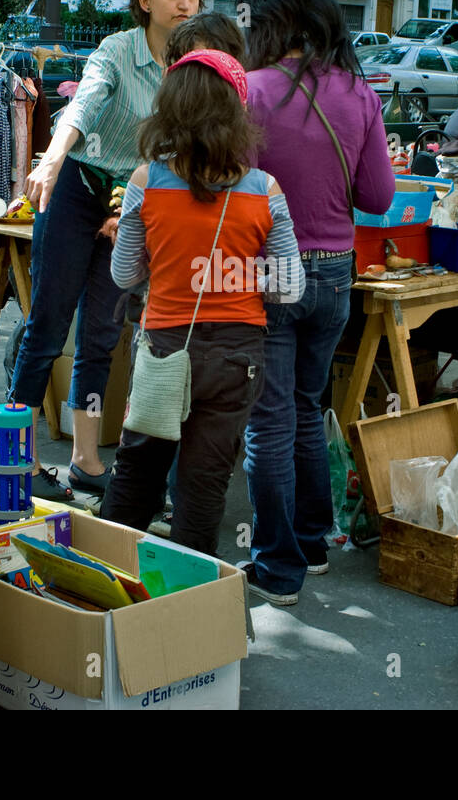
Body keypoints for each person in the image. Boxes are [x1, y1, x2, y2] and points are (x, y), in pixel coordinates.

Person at [8, 0, 206, 495]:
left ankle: (86, 461)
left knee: (101, 335)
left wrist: (136, 207)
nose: (185, 4)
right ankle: (14, 458)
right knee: (47, 327)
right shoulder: (116, 51)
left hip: (130, 201)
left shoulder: (191, 68)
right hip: (75, 185)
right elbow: (83, 104)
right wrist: (49, 160)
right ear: (145, 1)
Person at [100, 50, 303, 554]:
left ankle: (103, 581)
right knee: (203, 484)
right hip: (238, 357)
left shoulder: (145, 183)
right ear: (236, 114)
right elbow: (290, 287)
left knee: (138, 469)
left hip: (167, 349)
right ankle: (189, 599)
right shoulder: (266, 190)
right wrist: (237, 271)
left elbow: (124, 274)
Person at [235, 0, 395, 605]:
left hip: (271, 272)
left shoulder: (250, 92)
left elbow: (232, 192)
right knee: (306, 404)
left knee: (267, 420)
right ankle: (312, 539)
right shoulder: (359, 92)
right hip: (336, 271)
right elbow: (379, 196)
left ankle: (277, 568)